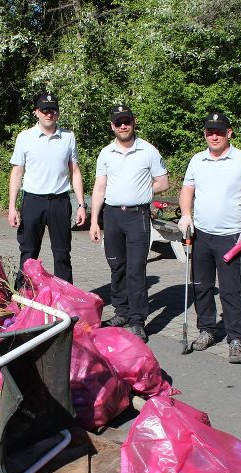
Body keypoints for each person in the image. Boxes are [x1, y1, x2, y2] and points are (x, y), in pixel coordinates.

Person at [178, 111, 241, 362]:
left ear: (229, 133)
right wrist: (185, 215)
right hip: (201, 234)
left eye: (220, 132)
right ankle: (207, 330)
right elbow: (187, 190)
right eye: (210, 132)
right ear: (205, 134)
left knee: (230, 290)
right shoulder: (197, 160)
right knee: (201, 287)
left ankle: (236, 339)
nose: (214, 136)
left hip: (230, 237)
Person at [89, 105, 168, 342]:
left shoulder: (148, 151)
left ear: (133, 122)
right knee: (117, 267)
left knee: (136, 269)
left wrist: (142, 191)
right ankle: (121, 313)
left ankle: (137, 320)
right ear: (112, 126)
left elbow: (163, 182)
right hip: (112, 216)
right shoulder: (105, 153)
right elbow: (100, 187)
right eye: (118, 122)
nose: (123, 126)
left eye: (127, 121)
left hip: (137, 217)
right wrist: (94, 221)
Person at [8, 92, 86, 288]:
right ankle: (22, 299)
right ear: (36, 112)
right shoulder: (25, 137)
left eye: (53, 109)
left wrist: (81, 205)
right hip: (33, 202)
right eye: (44, 109)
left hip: (60, 202)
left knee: (62, 255)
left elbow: (75, 171)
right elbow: (17, 173)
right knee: (28, 253)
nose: (49, 114)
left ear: (58, 113)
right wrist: (12, 207)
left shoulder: (68, 136)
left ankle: (66, 299)